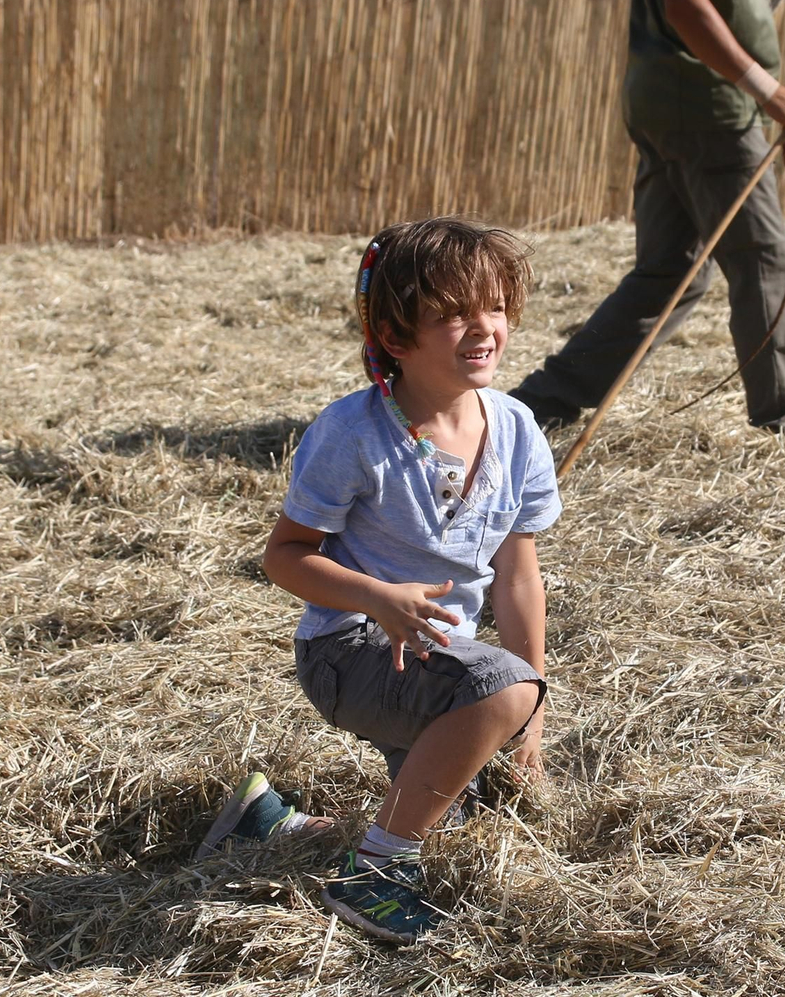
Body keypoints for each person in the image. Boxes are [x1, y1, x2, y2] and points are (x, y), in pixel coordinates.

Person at [196, 217, 561, 946]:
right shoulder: (353, 433)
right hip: (349, 650)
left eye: (493, 307)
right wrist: (376, 596)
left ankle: (270, 822)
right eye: (452, 314)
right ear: (396, 337)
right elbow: (285, 555)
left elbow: (517, 579)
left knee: (461, 810)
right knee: (497, 692)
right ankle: (376, 875)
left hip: (436, 658)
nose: (482, 328)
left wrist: (531, 726)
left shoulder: (518, 430)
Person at [513, 0, 785, 439]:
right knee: (765, 263)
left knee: (668, 271)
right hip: (707, 110)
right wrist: (769, 91)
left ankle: (536, 408)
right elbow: (685, 3)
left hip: (673, 102)